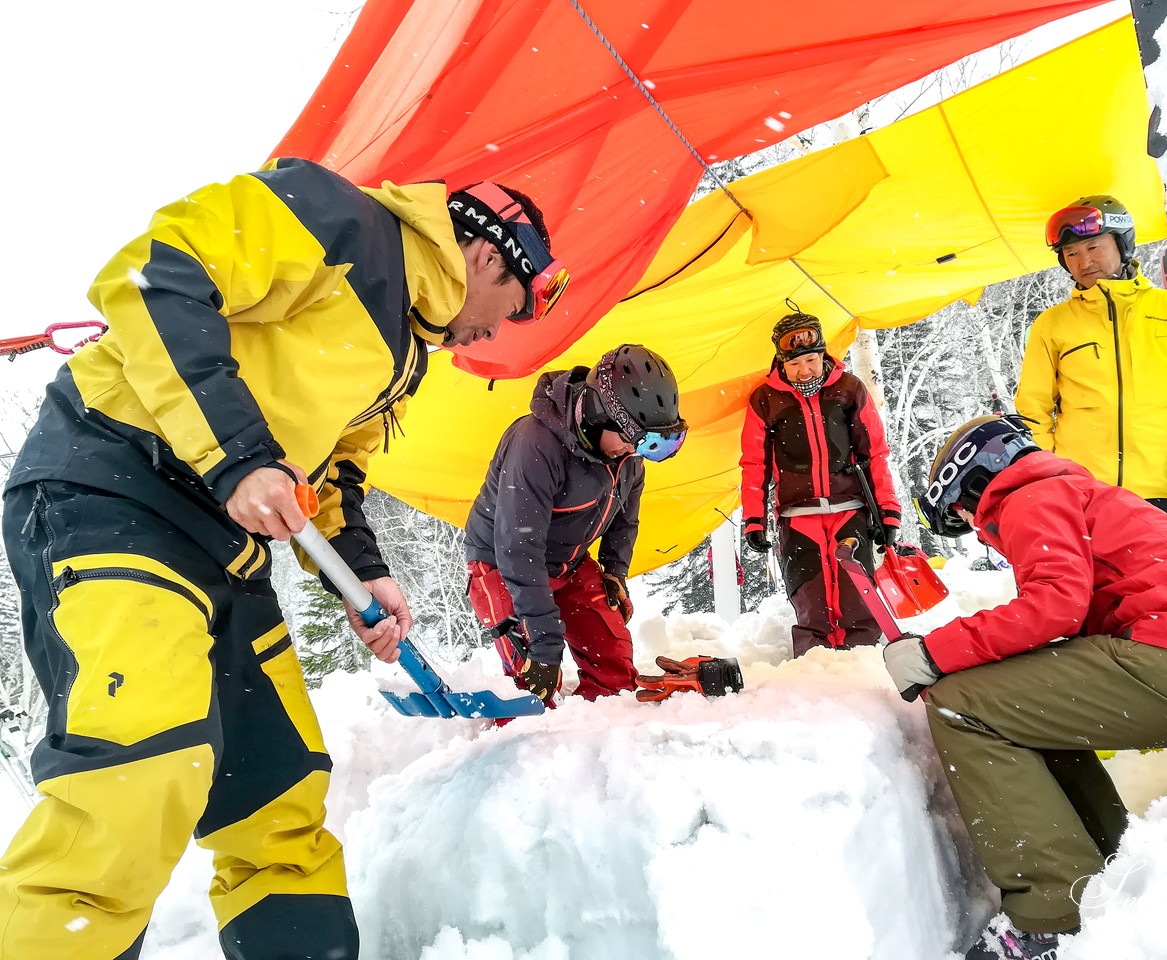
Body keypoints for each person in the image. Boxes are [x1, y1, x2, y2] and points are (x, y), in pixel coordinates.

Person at [0, 159, 564, 960]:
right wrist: (237, 457)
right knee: (138, 770)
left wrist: (364, 571)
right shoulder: (338, 218)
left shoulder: (406, 352)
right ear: (486, 257)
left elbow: (332, 473)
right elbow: (155, 275)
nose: (497, 333)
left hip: (220, 545)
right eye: (510, 309)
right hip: (113, 487)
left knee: (279, 799)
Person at [890, 414, 1167, 959]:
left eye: (962, 512)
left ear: (976, 479)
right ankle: (1107, 871)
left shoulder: (1029, 498)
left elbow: (1053, 606)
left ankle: (1052, 917)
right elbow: (1067, 619)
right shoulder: (1074, 492)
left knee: (961, 705)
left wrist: (930, 654)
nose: (970, 522)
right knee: (1019, 705)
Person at [464, 344, 686, 705]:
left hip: (568, 560)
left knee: (613, 665)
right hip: (503, 564)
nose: (636, 453)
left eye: (652, 445)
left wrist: (615, 571)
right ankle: (518, 749)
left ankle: (598, 733)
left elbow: (625, 518)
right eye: (634, 441)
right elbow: (518, 551)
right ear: (599, 416)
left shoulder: (627, 455)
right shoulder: (535, 444)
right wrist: (545, 646)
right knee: (531, 685)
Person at [1015, 194, 1167, 527]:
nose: (1082, 261)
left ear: (1122, 245)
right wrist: (1050, 475)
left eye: (1093, 248)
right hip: (1084, 490)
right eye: (1071, 253)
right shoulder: (1053, 324)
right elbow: (1033, 408)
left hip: (1159, 484)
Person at [739, 307, 902, 656]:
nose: (804, 370)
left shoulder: (849, 389)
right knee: (810, 598)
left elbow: (874, 453)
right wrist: (753, 519)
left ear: (823, 353)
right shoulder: (765, 400)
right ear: (781, 363)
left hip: (850, 510)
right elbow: (754, 464)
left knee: (857, 595)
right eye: (795, 364)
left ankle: (863, 661)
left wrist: (887, 510)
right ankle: (814, 666)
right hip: (796, 516)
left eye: (811, 360)